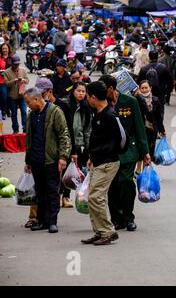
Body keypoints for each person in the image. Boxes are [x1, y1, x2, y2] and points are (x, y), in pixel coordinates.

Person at [99, 75, 150, 231]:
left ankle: (128, 217)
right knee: (112, 185)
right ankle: (116, 219)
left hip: (129, 150)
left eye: (103, 89)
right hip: (110, 152)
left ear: (111, 89)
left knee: (126, 182)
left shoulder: (130, 101)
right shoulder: (102, 104)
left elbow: (139, 126)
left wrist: (145, 151)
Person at [23, 87, 71, 234]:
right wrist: (28, 160)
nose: (27, 105)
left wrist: (63, 157)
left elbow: (64, 135)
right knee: (40, 191)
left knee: (52, 191)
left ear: (37, 99)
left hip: (51, 159)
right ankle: (42, 221)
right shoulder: (32, 115)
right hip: (36, 160)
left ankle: (52, 221)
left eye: (28, 102)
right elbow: (29, 138)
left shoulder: (55, 112)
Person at [81, 81, 122, 245]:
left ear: (93, 97)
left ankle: (108, 231)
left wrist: (109, 152)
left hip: (108, 162)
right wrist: (92, 156)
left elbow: (123, 139)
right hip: (98, 161)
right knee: (94, 197)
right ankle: (99, 231)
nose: (86, 99)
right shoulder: (97, 113)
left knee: (96, 197)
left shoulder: (110, 115)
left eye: (87, 96)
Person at [35, 77, 75, 208]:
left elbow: (69, 130)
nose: (39, 95)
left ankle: (66, 196)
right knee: (51, 179)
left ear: (49, 91)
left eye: (42, 92)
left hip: (62, 146)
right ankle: (55, 198)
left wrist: (72, 151)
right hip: (46, 149)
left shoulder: (62, 105)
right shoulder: (37, 107)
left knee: (65, 173)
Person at [137, 51, 173, 121]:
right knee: (160, 112)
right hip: (160, 95)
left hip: (146, 95)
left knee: (146, 113)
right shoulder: (163, 68)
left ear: (149, 57)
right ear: (158, 57)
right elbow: (170, 82)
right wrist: (166, 92)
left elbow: (138, 83)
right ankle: (159, 129)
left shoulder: (143, 69)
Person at [135, 80, 166, 159]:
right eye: (142, 88)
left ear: (150, 88)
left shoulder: (155, 100)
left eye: (146, 88)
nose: (144, 90)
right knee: (140, 153)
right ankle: (139, 170)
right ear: (139, 89)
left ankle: (147, 169)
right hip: (140, 130)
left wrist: (162, 130)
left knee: (150, 153)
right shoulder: (136, 100)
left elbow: (158, 117)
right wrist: (139, 97)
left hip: (152, 130)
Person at [3, 54, 28, 134]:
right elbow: (6, 83)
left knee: (24, 112)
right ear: (12, 64)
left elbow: (27, 80)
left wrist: (23, 80)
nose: (16, 66)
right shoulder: (7, 72)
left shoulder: (23, 70)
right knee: (14, 114)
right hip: (12, 96)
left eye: (18, 64)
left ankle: (25, 128)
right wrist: (14, 81)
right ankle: (15, 129)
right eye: (15, 64)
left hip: (22, 95)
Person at [0, 43, 12, 119]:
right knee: (3, 96)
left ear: (8, 49)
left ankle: (8, 110)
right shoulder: (0, 58)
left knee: (9, 97)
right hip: (2, 81)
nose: (4, 50)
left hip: (11, 80)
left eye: (6, 48)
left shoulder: (12, 58)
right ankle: (3, 111)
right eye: (3, 48)